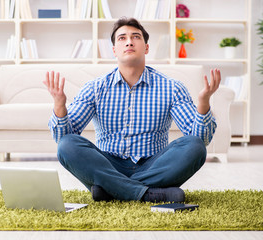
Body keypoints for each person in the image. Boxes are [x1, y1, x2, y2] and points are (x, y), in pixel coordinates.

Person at [43, 17, 221, 203]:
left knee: (194, 147)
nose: (129, 41)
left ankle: (111, 190)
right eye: (122, 38)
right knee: (67, 145)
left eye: (135, 37)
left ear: (146, 47)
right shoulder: (94, 88)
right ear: (114, 50)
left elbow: (200, 139)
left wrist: (203, 103)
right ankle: (147, 194)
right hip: (108, 165)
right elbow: (64, 138)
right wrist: (59, 105)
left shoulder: (172, 88)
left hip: (154, 166)